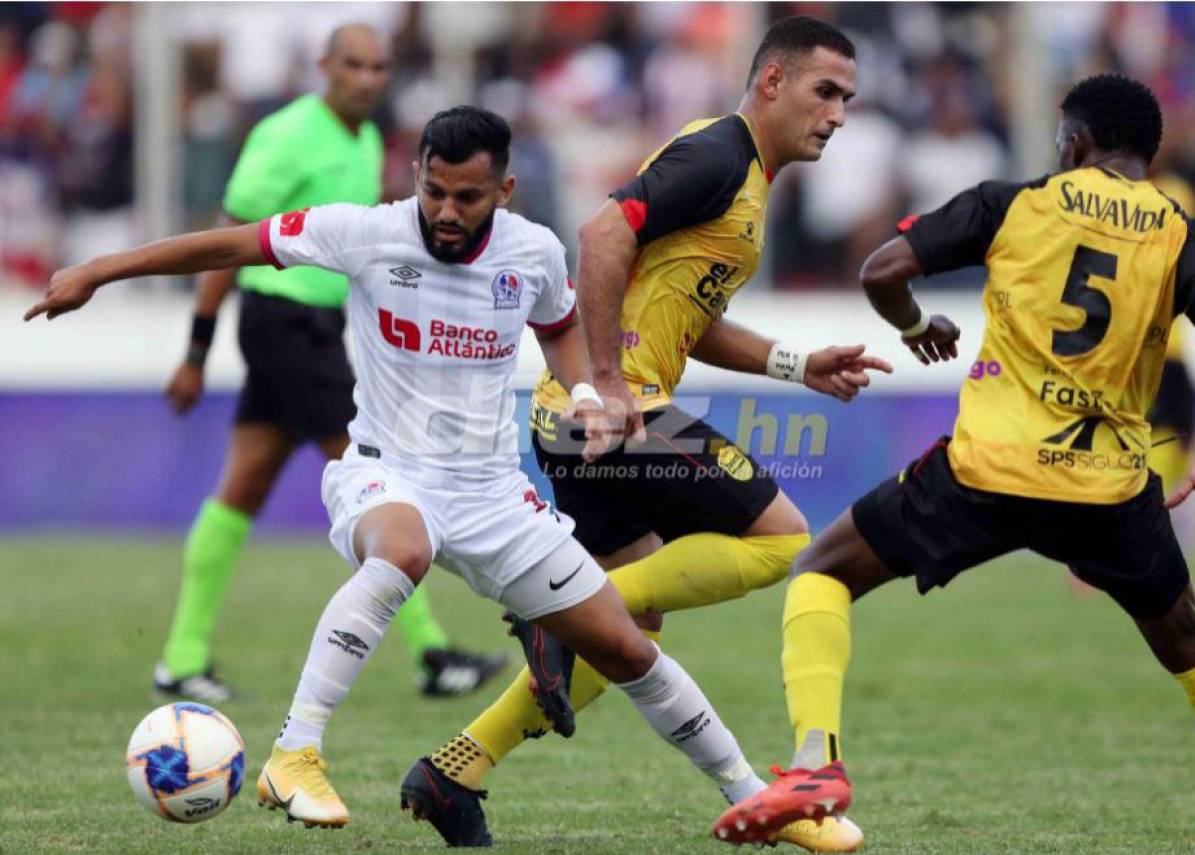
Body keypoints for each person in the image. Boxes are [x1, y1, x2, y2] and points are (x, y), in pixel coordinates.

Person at [27, 106, 779, 839]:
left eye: (468, 197)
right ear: (415, 175)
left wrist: (585, 391)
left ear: (504, 193)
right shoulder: (365, 232)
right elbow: (229, 245)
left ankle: (756, 798)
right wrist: (99, 270)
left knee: (627, 651)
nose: (447, 212)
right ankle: (295, 753)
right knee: (405, 549)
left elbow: (558, 329)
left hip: (492, 497)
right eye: (434, 191)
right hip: (387, 474)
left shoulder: (535, 253)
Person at [414, 16, 889, 851]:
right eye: (825, 91)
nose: (839, 113)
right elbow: (603, 233)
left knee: (625, 643)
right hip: (609, 411)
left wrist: (797, 363)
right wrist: (604, 381)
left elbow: (689, 317)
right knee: (785, 541)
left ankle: (456, 770)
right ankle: (557, 613)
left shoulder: (746, 180)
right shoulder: (719, 155)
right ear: (772, 82)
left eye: (848, 98)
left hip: (586, 412)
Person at [712, 73, 1195, 845]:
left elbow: (881, 271)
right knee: (1185, 642)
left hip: (988, 472)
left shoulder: (1015, 202)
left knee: (823, 570)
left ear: (1073, 143)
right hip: (1109, 485)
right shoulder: (1180, 231)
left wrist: (914, 324)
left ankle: (816, 763)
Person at [154, 23, 505, 703]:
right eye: (354, 65)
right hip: (281, 323)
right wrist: (195, 350)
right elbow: (230, 239)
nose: (368, 79)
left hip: (318, 327)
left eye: (379, 67)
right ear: (324, 66)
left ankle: (180, 655)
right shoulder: (285, 135)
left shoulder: (368, 139)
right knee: (381, 476)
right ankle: (432, 651)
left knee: (243, 488)